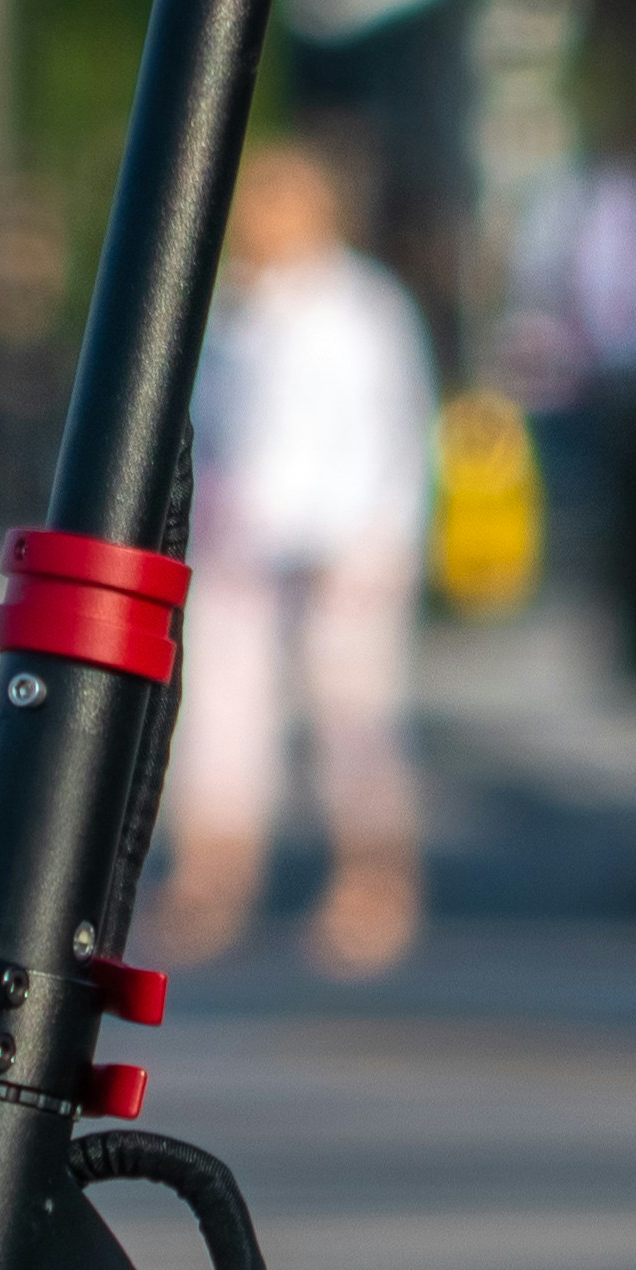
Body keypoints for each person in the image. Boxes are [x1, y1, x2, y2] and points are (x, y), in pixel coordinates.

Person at [162, 132, 436, 977]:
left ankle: (376, 885)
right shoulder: (242, 310)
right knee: (224, 719)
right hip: (246, 541)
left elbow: (394, 431)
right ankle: (214, 877)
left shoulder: (365, 307)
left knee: (353, 723)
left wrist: (376, 538)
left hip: (345, 546)